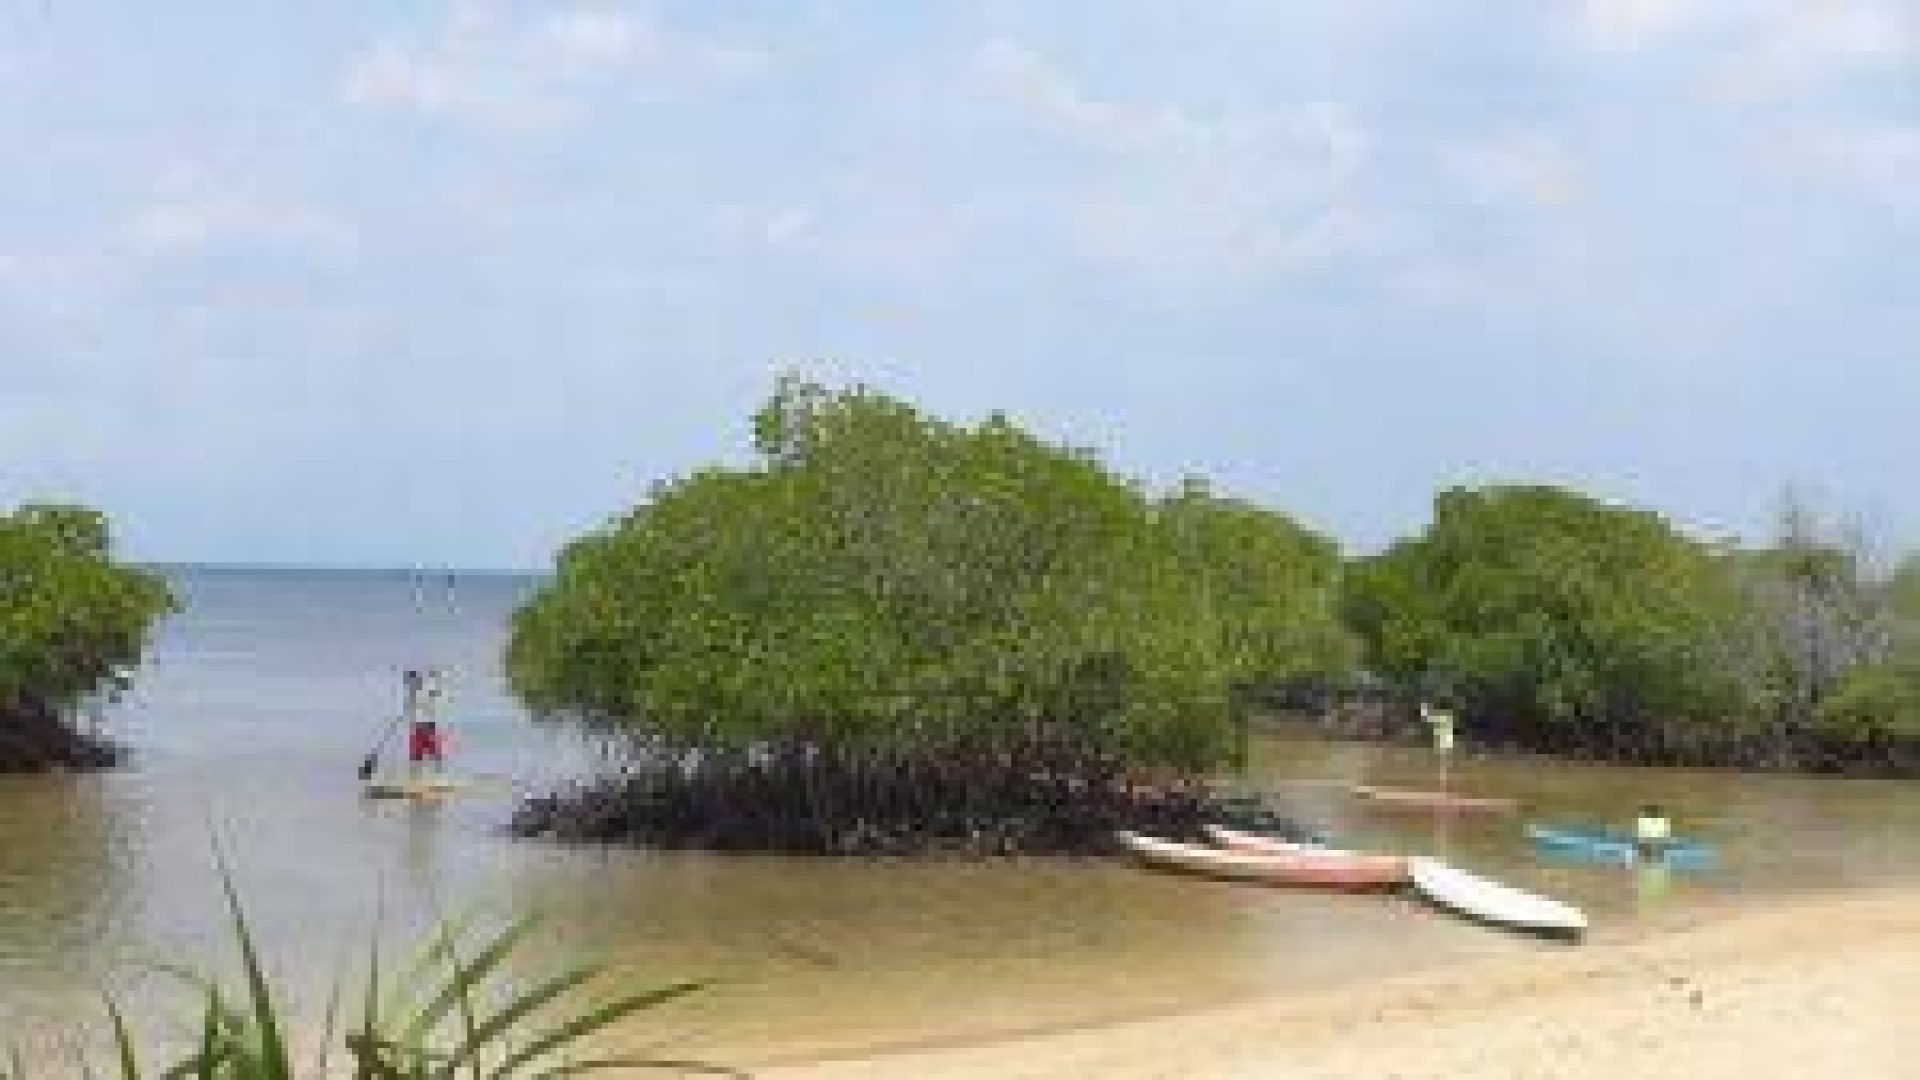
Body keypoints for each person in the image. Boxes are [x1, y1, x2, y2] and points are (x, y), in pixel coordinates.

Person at [406, 667, 447, 777]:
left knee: (427, 752)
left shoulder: (421, 692)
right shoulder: (419, 693)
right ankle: (431, 772)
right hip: (423, 724)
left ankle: (433, 772)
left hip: (424, 724)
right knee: (423, 752)